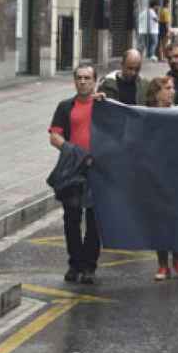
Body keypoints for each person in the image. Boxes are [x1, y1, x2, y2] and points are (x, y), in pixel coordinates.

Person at [48, 64, 101, 285]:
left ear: (94, 81)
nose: (82, 82)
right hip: (73, 169)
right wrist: (75, 152)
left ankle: (89, 266)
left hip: (97, 170)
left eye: (87, 78)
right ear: (74, 81)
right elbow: (55, 137)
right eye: (79, 78)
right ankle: (74, 264)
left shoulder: (102, 106)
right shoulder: (65, 107)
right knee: (71, 218)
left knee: (94, 220)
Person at [144, 77, 178, 281]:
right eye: (167, 88)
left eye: (173, 88)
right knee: (159, 221)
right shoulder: (145, 115)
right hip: (155, 176)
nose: (172, 92)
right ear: (156, 93)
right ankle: (162, 264)